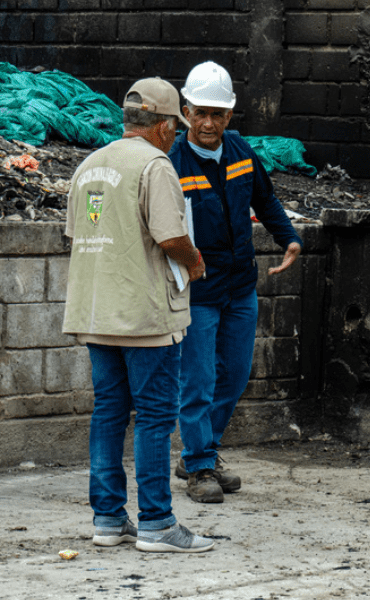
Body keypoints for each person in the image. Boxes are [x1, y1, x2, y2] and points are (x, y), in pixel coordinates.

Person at [63, 77, 213, 553]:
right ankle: (157, 523)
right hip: (145, 316)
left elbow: (77, 234)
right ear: (167, 126)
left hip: (96, 310)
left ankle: (108, 519)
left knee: (108, 413)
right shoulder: (156, 165)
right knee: (153, 416)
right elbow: (170, 236)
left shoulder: (89, 164)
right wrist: (194, 261)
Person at [168, 61, 303, 503]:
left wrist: (290, 240)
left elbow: (265, 199)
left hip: (240, 286)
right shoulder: (172, 162)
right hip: (199, 291)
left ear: (230, 116)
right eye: (199, 112)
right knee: (199, 380)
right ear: (186, 111)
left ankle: (200, 453)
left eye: (218, 114)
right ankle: (200, 465)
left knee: (235, 375)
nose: (208, 123)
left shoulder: (242, 152)